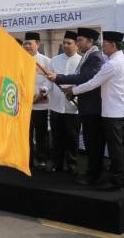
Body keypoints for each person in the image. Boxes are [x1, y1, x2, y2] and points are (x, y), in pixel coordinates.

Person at [60, 31, 124, 190]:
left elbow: (93, 83)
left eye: (105, 44)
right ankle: (123, 177)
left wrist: (73, 91)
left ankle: (117, 181)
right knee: (121, 146)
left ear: (113, 45)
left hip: (112, 111)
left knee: (116, 148)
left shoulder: (112, 63)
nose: (103, 47)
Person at [47, 28, 106, 185]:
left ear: (90, 42)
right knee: (61, 138)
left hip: (87, 108)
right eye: (65, 42)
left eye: (79, 40)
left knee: (86, 142)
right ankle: (60, 165)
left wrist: (63, 82)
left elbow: (84, 78)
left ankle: (89, 173)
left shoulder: (94, 57)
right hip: (63, 105)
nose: (76, 43)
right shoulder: (86, 56)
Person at [48, 31, 81, 174]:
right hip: (56, 105)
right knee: (57, 137)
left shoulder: (82, 61)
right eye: (64, 43)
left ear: (76, 45)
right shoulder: (54, 60)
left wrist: (74, 92)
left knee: (72, 138)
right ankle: (57, 164)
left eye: (69, 43)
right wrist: (44, 90)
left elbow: (84, 82)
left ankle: (72, 166)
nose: (66, 45)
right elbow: (47, 80)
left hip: (73, 108)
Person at [25, 32, 52, 169]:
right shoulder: (19, 59)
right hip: (24, 106)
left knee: (41, 134)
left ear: (38, 44)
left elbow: (49, 82)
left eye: (30, 43)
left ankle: (42, 159)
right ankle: (26, 160)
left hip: (40, 105)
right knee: (25, 135)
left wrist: (40, 95)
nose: (27, 46)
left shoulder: (46, 61)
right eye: (25, 43)